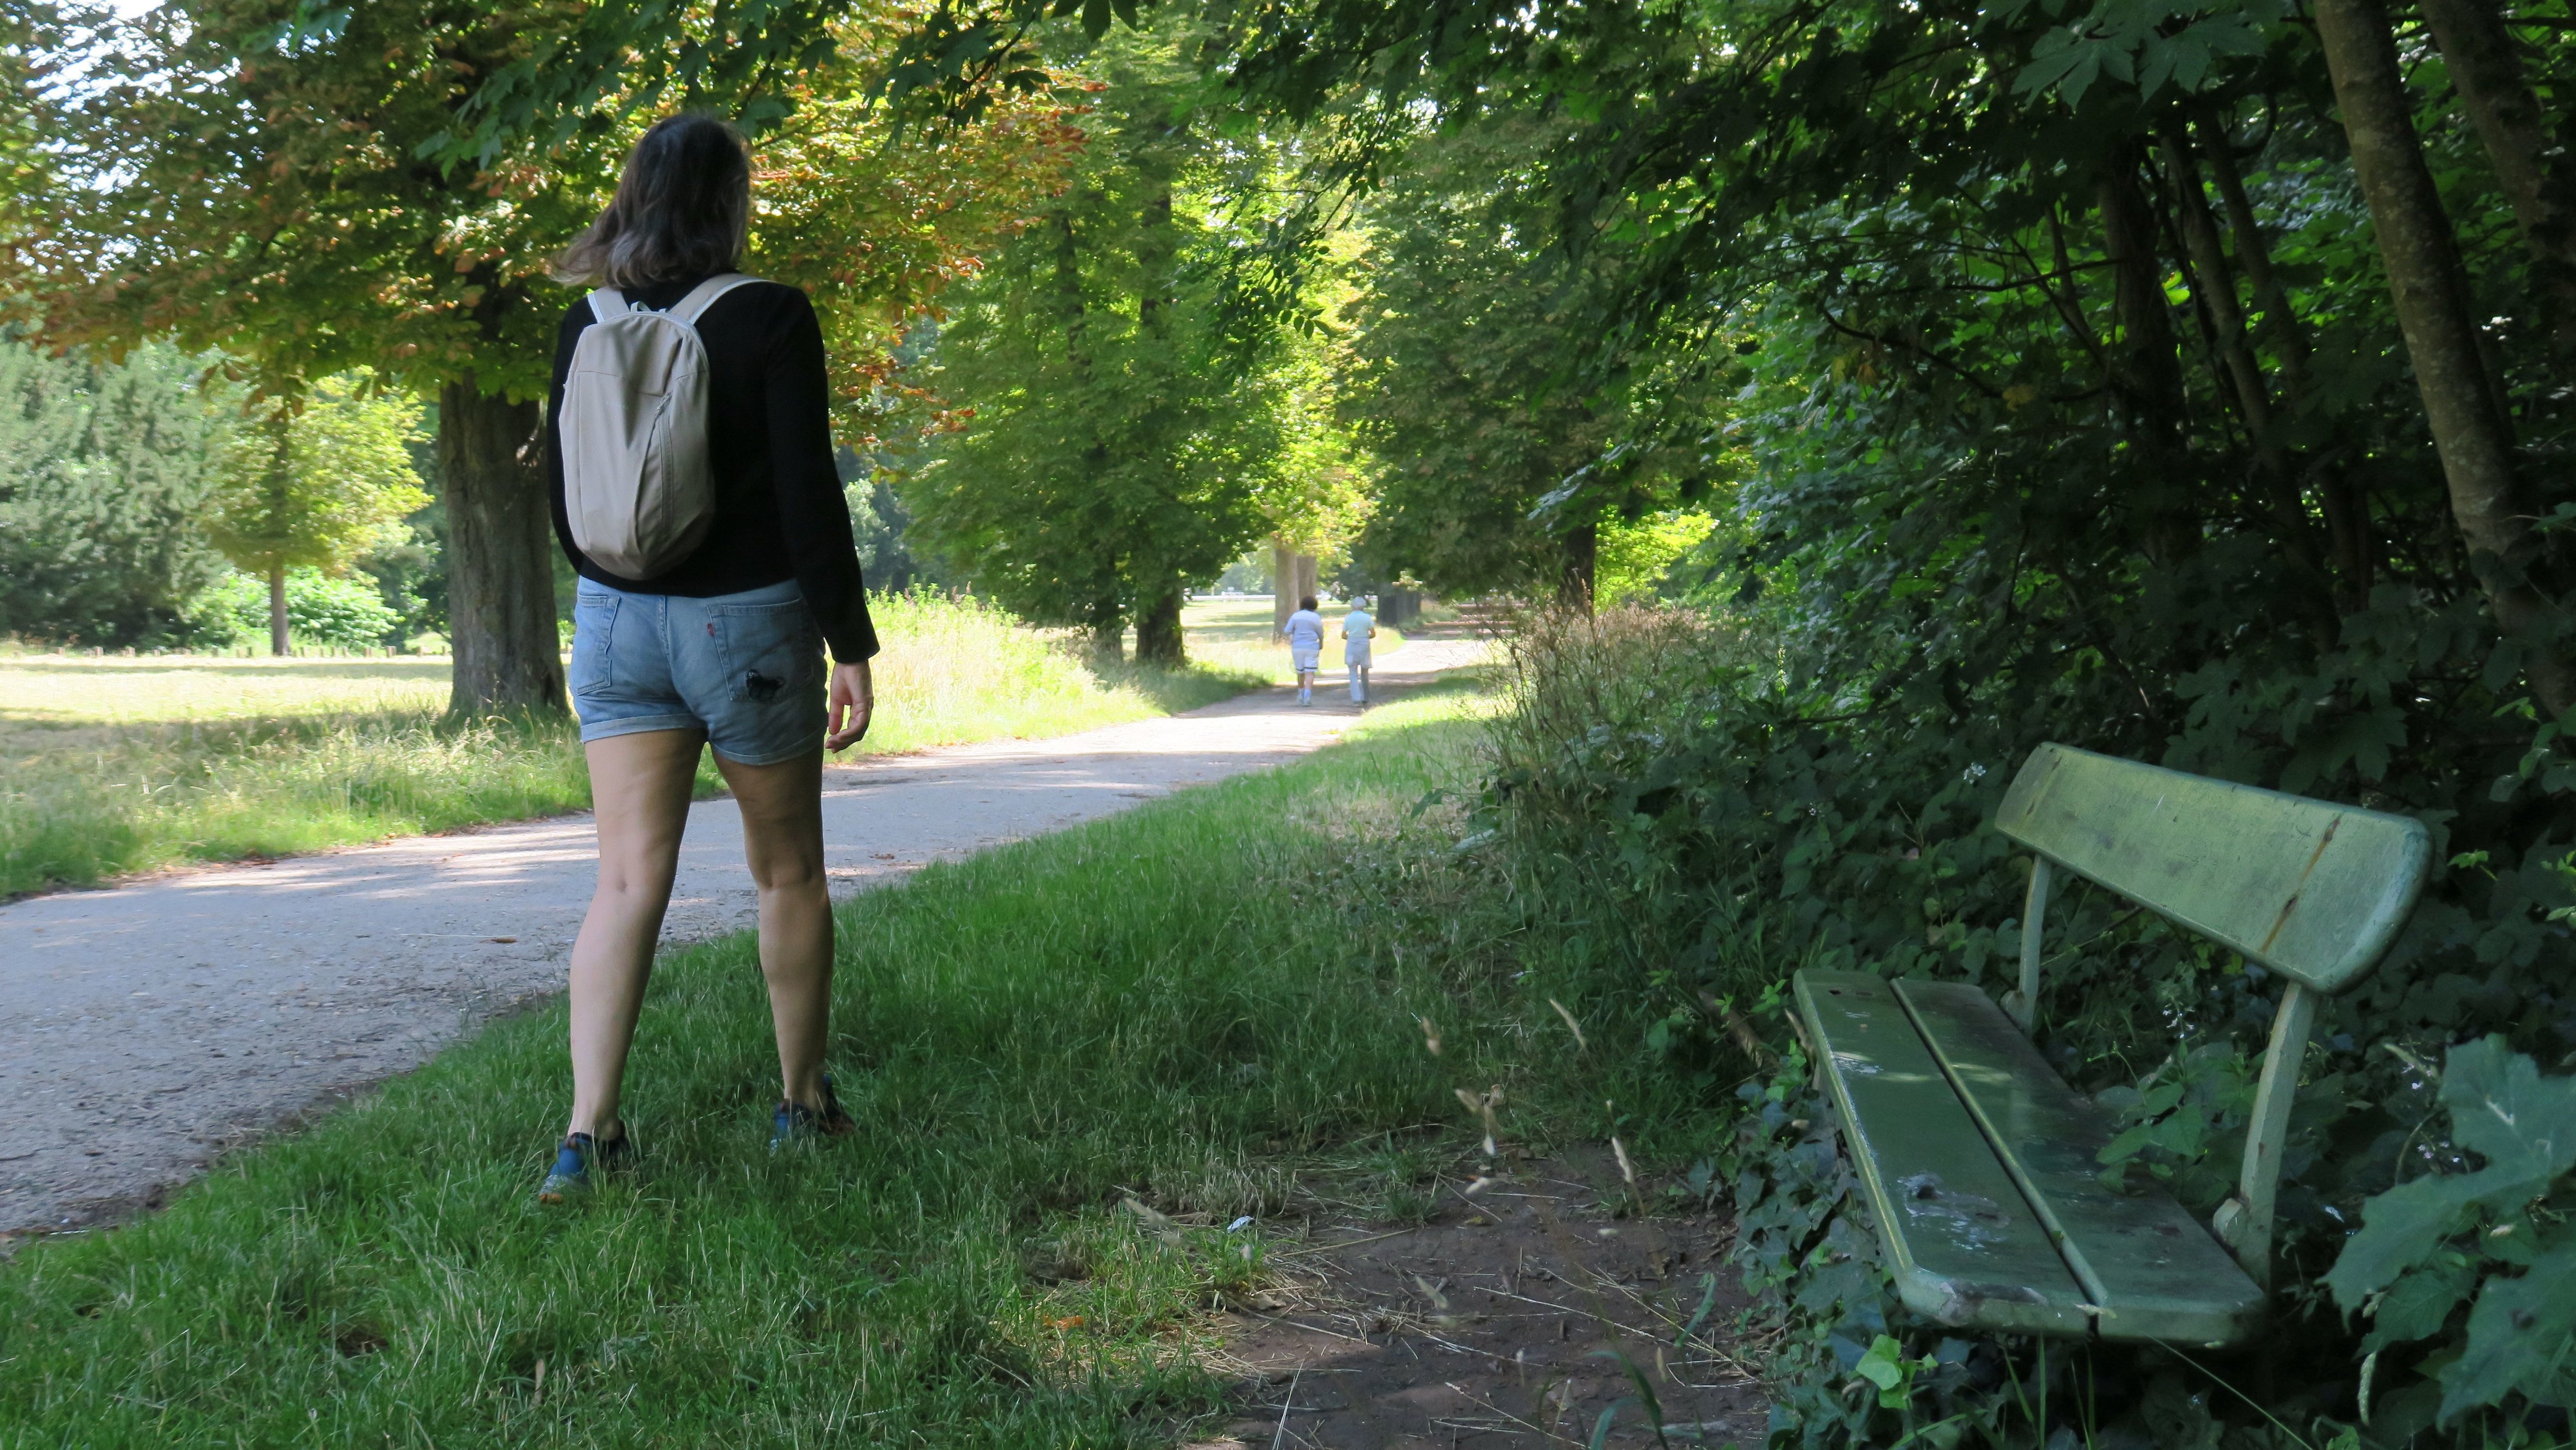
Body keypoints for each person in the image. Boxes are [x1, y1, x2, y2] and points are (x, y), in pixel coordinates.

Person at [537, 113, 878, 1203]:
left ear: (633, 196)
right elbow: (806, 495)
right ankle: (802, 1103)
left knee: (627, 880)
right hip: (751, 626)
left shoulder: (581, 324)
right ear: (731, 200)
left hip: (615, 623)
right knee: (786, 872)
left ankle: (589, 1136)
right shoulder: (770, 316)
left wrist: (621, 596)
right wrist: (850, 644)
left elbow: (564, 502)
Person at [1283, 594, 1325, 704]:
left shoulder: (1295, 616)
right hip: (1312, 646)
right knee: (1310, 672)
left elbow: (1288, 630)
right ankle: (1308, 697)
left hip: (1297, 647)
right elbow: (1320, 633)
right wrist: (1321, 643)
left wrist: (1293, 636)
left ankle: (1301, 695)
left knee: (1300, 672)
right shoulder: (1316, 617)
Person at [1341, 597, 1377, 704]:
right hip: (1364, 645)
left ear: (1353, 606)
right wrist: (1366, 637)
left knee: (1353, 673)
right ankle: (1365, 697)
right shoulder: (1367, 618)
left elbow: (1343, 635)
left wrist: (1351, 637)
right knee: (1365, 673)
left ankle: (1356, 699)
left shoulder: (1348, 618)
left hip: (1352, 645)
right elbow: (1373, 634)